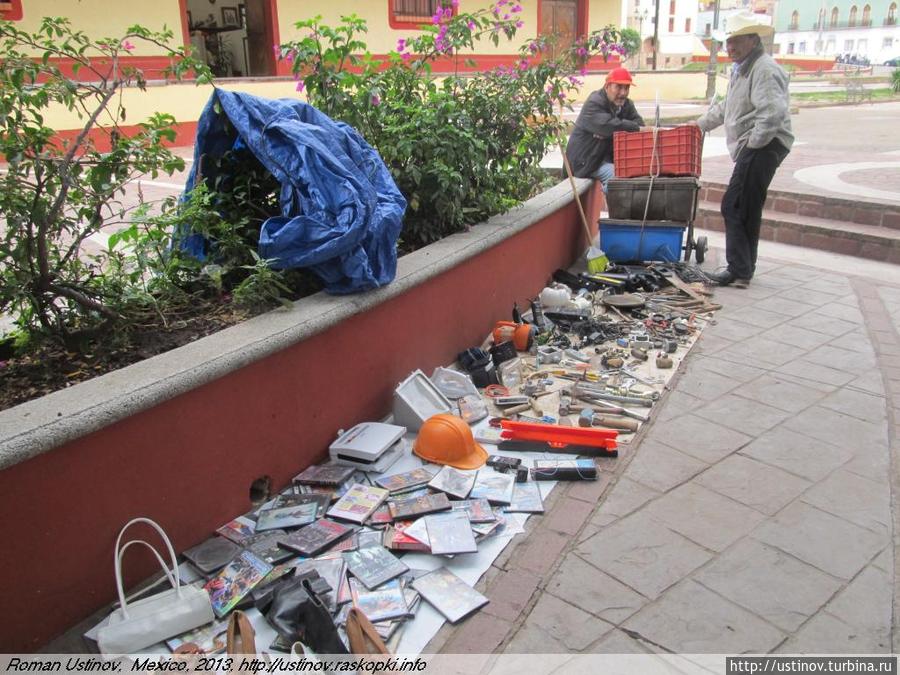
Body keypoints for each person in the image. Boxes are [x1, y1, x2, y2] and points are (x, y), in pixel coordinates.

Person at [690, 12, 793, 288]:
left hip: (763, 145)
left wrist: (752, 144)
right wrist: (698, 125)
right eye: (727, 42)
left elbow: (771, 115)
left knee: (733, 204)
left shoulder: (764, 69)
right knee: (745, 206)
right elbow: (728, 108)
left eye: (735, 41)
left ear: (751, 39)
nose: (730, 48)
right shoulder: (743, 68)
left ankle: (738, 268)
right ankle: (744, 269)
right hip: (756, 145)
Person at [565, 67, 648, 192]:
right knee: (617, 178)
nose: (623, 93)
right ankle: (613, 207)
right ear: (607, 86)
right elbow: (609, 126)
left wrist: (612, 132)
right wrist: (614, 129)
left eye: (626, 88)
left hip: (606, 158)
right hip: (586, 161)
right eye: (619, 87)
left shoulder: (626, 104)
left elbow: (638, 125)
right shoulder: (594, 102)